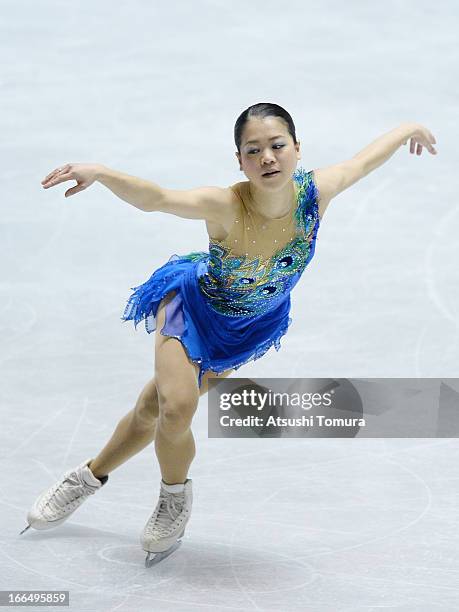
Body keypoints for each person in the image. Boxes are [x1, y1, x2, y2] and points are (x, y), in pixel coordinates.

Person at [21, 103, 437, 566]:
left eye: (277, 146)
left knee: (151, 408)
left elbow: (363, 160)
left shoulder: (317, 193)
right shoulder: (225, 205)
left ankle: (88, 476)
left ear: (297, 150)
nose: (267, 158)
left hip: (247, 329)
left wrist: (406, 128)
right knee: (177, 408)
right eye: (253, 150)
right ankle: (174, 498)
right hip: (192, 309)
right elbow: (157, 198)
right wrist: (101, 172)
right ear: (239, 161)